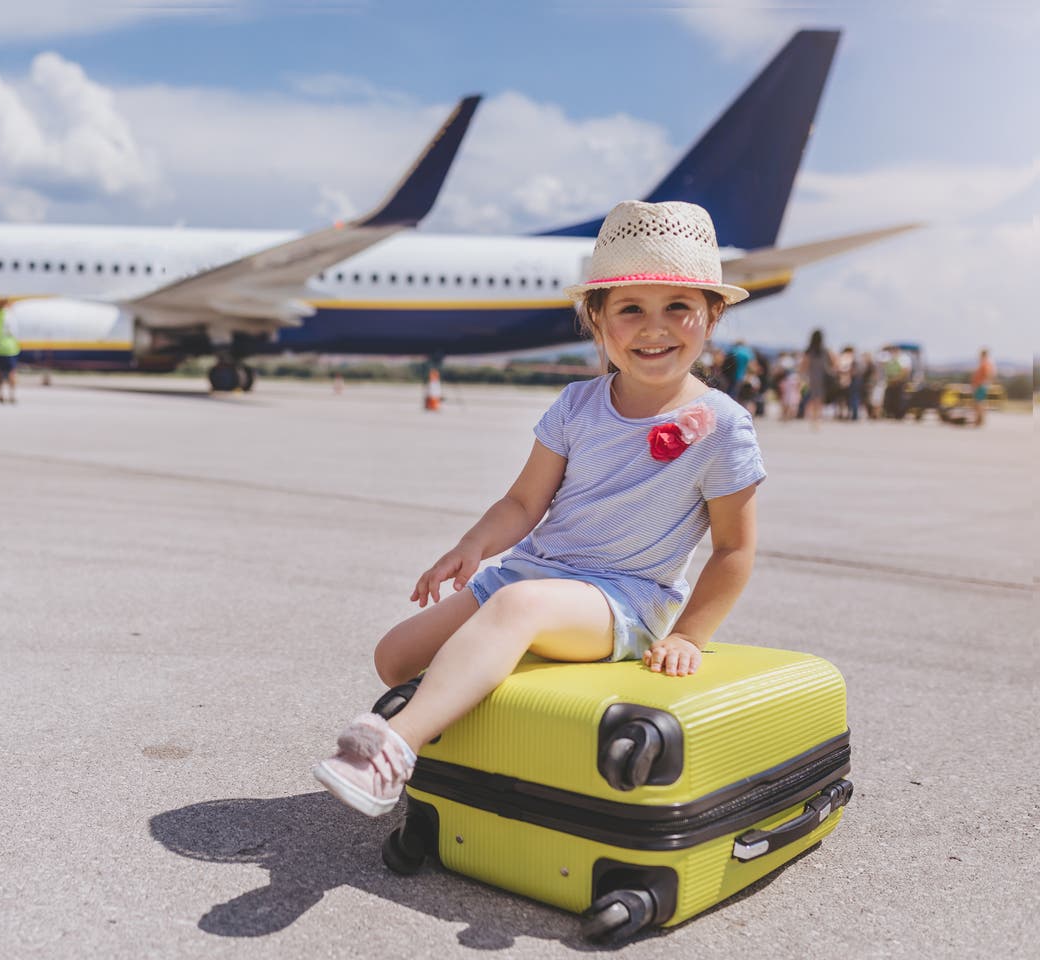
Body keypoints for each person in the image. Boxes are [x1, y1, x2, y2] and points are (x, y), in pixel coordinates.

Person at [312, 201, 766, 815]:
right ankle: (480, 678)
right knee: (395, 655)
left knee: (519, 607)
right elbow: (525, 501)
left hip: (622, 598)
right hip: (532, 574)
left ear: (711, 317)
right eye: (631, 309)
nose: (654, 328)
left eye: (677, 308)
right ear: (597, 320)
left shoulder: (723, 427)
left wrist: (688, 634)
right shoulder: (578, 405)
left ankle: (396, 749)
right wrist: (471, 547)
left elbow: (734, 549)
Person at [0, 298, 20, 404]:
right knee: (12, 372)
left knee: (0, 372)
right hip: (10, 348)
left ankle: (0, 395)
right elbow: (13, 331)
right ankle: (12, 396)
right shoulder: (8, 315)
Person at [799, 329, 833, 430]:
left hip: (812, 377)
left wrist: (802, 376)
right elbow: (833, 362)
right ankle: (817, 419)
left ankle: (813, 419)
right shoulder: (825, 350)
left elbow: (804, 365)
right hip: (823, 377)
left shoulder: (809, 350)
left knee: (813, 398)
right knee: (819, 399)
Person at [970, 348, 997, 428]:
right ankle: (979, 420)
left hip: (980, 386)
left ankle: (979, 420)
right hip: (980, 385)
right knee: (978, 403)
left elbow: (988, 375)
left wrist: (983, 383)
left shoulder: (985, 364)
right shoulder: (986, 363)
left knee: (979, 403)